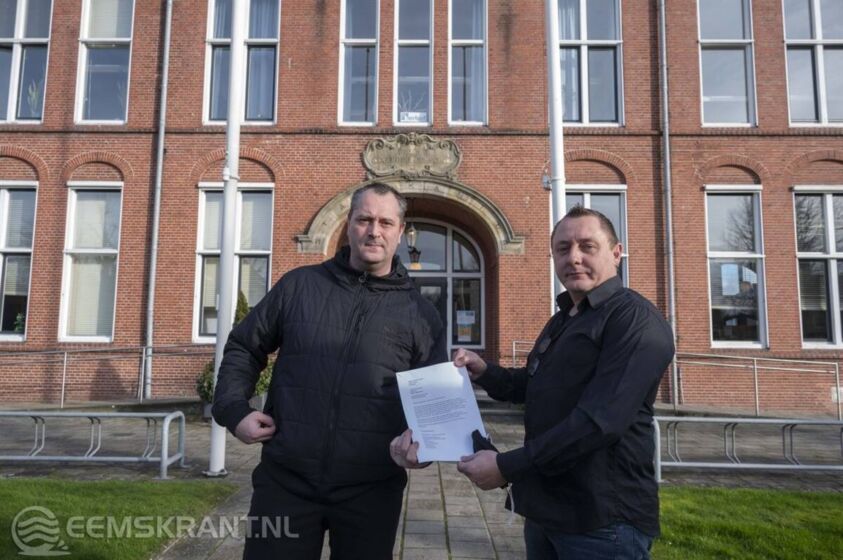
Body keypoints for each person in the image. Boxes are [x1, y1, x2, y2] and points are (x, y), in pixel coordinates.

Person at [212, 183, 446, 559]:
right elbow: (243, 346)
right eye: (364, 219)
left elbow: (435, 401)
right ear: (349, 224)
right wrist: (234, 411)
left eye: (386, 222)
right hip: (285, 483)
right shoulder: (299, 286)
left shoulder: (421, 314)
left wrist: (425, 446)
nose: (374, 231)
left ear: (401, 232)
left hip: (371, 491)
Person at [454, 206, 675, 560]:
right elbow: (534, 384)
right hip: (546, 512)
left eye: (587, 246)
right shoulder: (564, 319)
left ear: (616, 253)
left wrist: (505, 467)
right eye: (562, 248)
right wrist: (484, 371)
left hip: (602, 521)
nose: (573, 258)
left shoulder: (635, 322)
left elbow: (598, 423)